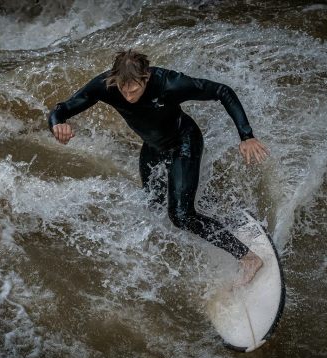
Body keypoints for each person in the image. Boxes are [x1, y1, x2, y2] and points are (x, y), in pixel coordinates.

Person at [48, 49, 270, 284]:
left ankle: (248, 257)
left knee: (181, 215)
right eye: (122, 90)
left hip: (183, 144)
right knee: (152, 204)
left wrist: (246, 135)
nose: (128, 96)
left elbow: (222, 91)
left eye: (133, 90)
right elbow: (63, 108)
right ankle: (210, 209)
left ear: (146, 78)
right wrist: (57, 123)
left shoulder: (169, 84)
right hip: (153, 148)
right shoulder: (106, 86)